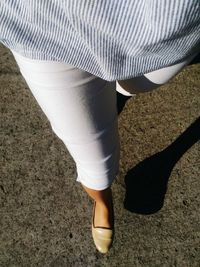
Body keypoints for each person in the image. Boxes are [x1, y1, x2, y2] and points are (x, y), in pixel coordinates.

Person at [1, 1, 200, 253]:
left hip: (168, 36)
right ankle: (102, 201)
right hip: (48, 26)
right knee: (96, 163)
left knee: (135, 86)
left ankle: (114, 93)